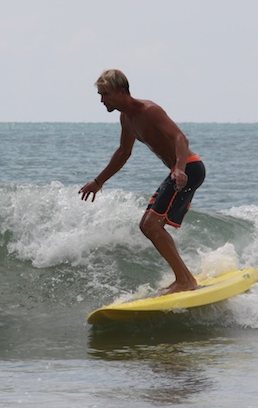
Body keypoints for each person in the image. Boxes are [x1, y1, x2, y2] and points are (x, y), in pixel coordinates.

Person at [79, 69, 206, 294]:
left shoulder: (150, 111)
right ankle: (185, 278)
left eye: (105, 94)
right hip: (180, 171)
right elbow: (123, 152)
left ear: (121, 91)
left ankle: (185, 280)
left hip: (189, 168)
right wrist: (99, 181)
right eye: (100, 95)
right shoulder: (126, 119)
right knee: (150, 226)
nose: (101, 100)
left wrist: (179, 168)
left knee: (150, 225)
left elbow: (180, 138)